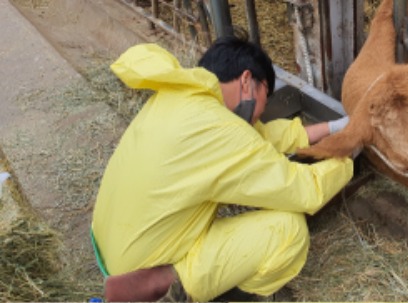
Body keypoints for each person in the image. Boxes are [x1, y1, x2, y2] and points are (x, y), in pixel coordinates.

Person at [91, 37, 354, 302]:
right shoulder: (221, 131)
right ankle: (176, 292)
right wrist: (349, 152)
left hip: (114, 247)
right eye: (266, 95)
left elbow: (259, 137)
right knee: (288, 231)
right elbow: (305, 190)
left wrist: (335, 128)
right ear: (247, 81)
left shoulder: (184, 97)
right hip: (137, 275)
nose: (261, 113)